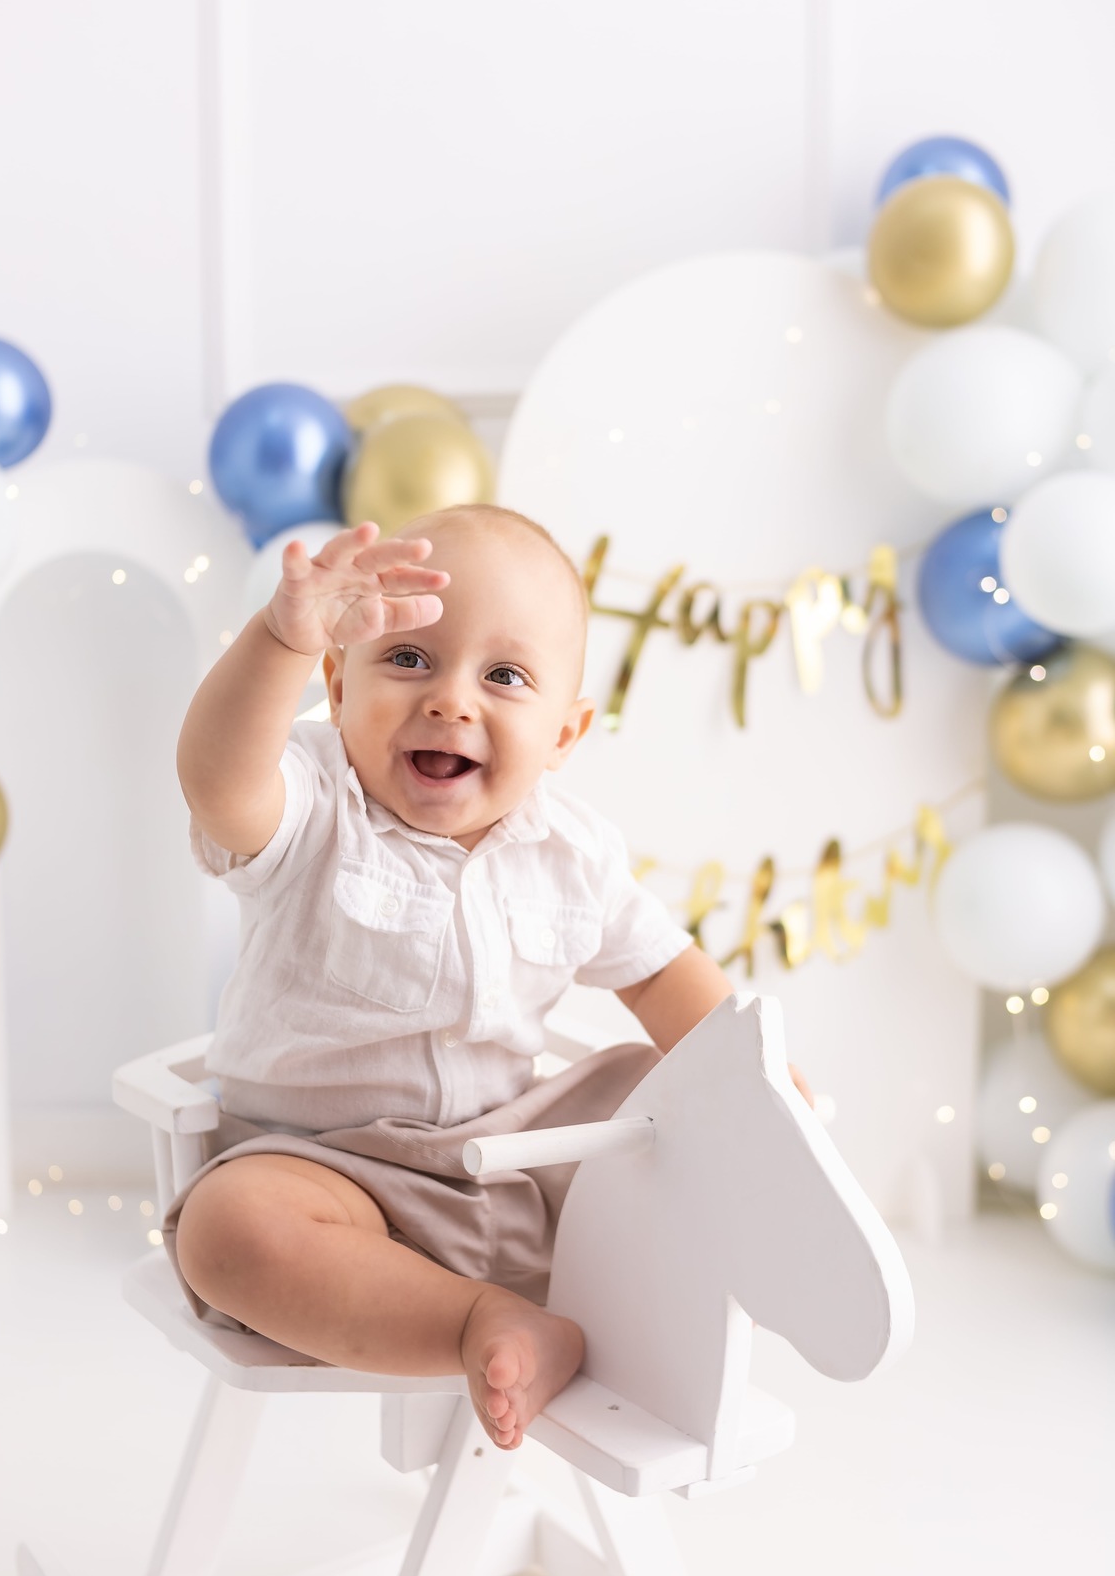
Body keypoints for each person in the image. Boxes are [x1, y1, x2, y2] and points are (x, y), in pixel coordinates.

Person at [168, 503, 814, 1450]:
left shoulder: (574, 851)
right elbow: (218, 782)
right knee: (225, 1233)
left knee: (657, 1078)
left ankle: (776, 1260)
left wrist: (753, 1085)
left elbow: (664, 975)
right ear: (337, 686)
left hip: (515, 1163)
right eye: (409, 659)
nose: (451, 701)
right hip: (326, 1174)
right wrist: (278, 642)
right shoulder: (311, 806)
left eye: (505, 677)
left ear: (564, 733)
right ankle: (482, 1322)